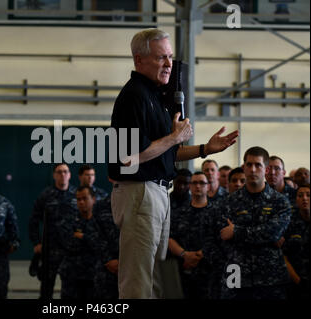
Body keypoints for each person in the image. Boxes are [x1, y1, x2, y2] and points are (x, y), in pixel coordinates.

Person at [108, 28, 239, 299]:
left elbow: (166, 151)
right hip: (139, 191)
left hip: (155, 192)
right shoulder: (133, 96)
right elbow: (129, 156)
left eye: (169, 57)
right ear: (139, 60)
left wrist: (204, 149)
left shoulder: (155, 96)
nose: (168, 64)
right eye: (160, 58)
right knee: (137, 282)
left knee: (154, 280)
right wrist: (173, 137)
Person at [208, 147, 291, 299]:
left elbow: (273, 233)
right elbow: (220, 237)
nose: (253, 170)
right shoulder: (227, 203)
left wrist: (237, 232)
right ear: (243, 167)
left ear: (266, 169)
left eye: (258, 165)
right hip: (235, 273)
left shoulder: (280, 202)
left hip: (270, 277)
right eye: (249, 165)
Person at [29, 163, 78, 299]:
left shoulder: (77, 195)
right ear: (54, 175)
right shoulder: (46, 195)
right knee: (46, 288)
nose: (62, 174)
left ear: (69, 175)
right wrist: (36, 243)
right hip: (50, 250)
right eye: (59, 172)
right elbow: (34, 220)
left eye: (65, 171)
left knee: (69, 289)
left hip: (71, 250)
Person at [168, 172, 214, 299]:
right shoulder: (179, 212)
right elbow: (169, 238)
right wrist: (185, 255)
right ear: (190, 186)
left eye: (202, 183)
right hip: (183, 269)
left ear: (208, 186)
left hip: (209, 271)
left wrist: (201, 254)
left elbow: (221, 239)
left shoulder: (217, 211)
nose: (198, 186)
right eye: (194, 183)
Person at [57, 186, 102, 299]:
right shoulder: (68, 220)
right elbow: (68, 245)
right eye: (78, 199)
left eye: (85, 198)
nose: (81, 202)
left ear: (94, 199)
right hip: (72, 276)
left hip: (94, 276)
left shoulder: (101, 221)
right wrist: (90, 240)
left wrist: (83, 237)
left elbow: (100, 246)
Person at [282, 184, 309, 299]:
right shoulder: (288, 223)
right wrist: (298, 281)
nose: (305, 198)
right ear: (296, 200)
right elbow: (283, 256)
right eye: (300, 195)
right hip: (295, 282)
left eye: (309, 195)